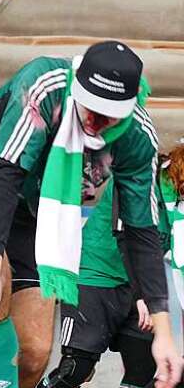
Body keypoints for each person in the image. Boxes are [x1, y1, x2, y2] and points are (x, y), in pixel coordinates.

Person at [0, 42, 183, 388]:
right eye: (90, 109)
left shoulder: (137, 136)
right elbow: (6, 174)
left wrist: (164, 332)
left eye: (108, 115)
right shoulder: (45, 83)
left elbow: (142, 233)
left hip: (34, 209)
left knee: (33, 353)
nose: (94, 123)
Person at [37, 144, 184, 388]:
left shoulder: (178, 200)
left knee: (146, 372)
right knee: (76, 369)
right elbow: (127, 237)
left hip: (137, 287)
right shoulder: (141, 175)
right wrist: (145, 295)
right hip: (95, 275)